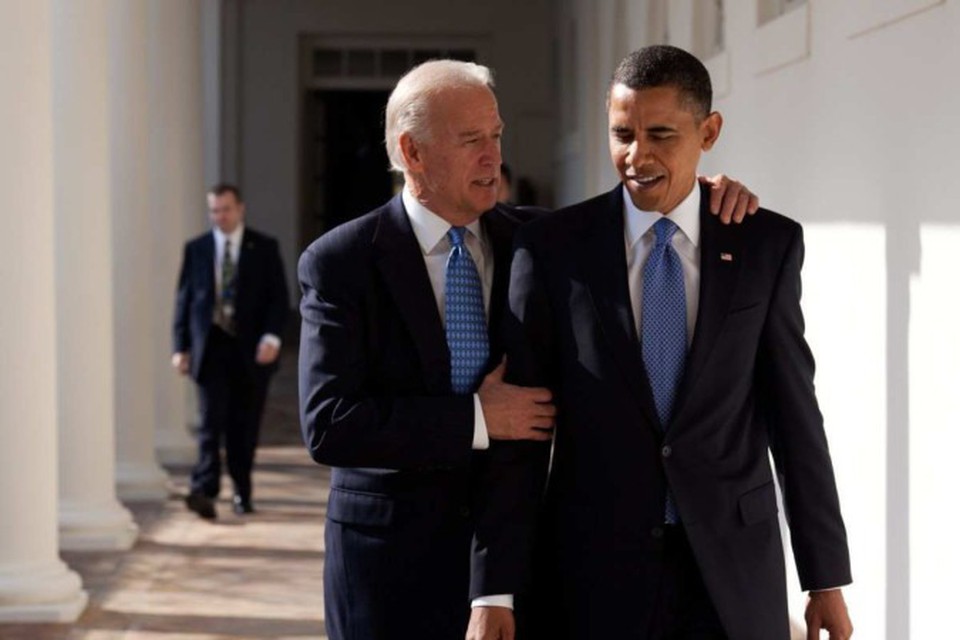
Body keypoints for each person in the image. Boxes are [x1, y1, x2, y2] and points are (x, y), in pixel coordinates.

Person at [297, 60, 757, 640]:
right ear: (412, 153)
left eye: (496, 136)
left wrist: (703, 192)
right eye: (471, 141)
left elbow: (643, 203)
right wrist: (479, 419)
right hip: (389, 568)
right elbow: (330, 424)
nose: (493, 157)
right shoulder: (340, 262)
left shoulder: (540, 242)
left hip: (521, 565)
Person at [470, 46, 853, 640]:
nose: (635, 156)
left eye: (660, 135)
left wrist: (824, 578)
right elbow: (523, 434)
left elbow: (794, 415)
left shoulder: (764, 246)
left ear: (709, 132)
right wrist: (494, 588)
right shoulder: (552, 249)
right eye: (621, 133)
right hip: (592, 575)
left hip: (731, 572)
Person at [173, 183, 290, 520]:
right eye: (213, 210)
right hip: (210, 348)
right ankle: (204, 490)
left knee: (244, 424)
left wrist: (271, 338)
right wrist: (180, 346)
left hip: (250, 351)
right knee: (210, 422)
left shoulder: (264, 248)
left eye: (225, 209)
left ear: (240, 209)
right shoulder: (196, 249)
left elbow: (277, 300)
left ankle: (242, 490)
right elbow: (184, 301)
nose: (219, 216)